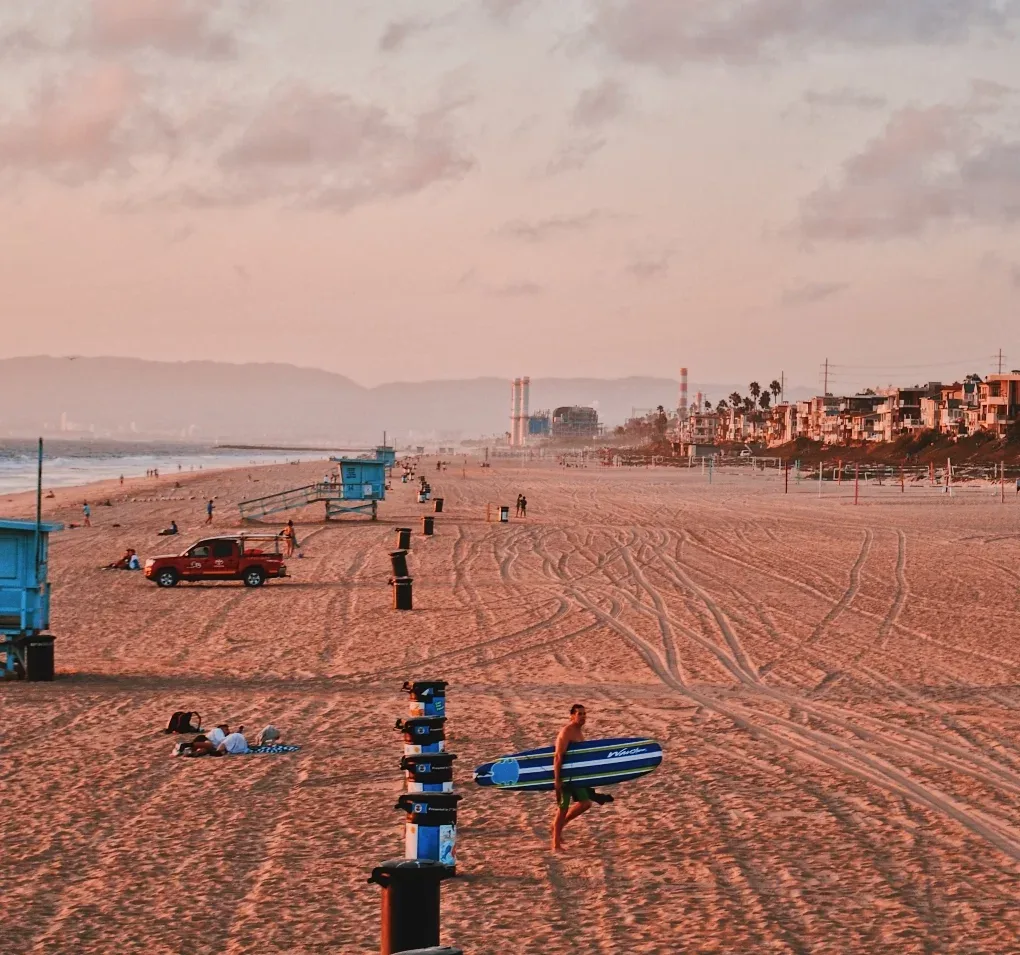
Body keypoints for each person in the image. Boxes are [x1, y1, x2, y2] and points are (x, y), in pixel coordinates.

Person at [552, 704, 591, 851]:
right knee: (562, 808)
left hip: (576, 776)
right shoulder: (567, 732)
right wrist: (557, 779)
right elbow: (558, 756)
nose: (583, 716)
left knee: (585, 803)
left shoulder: (579, 732)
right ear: (572, 716)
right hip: (565, 776)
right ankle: (555, 844)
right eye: (579, 714)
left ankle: (559, 826)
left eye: (584, 713)